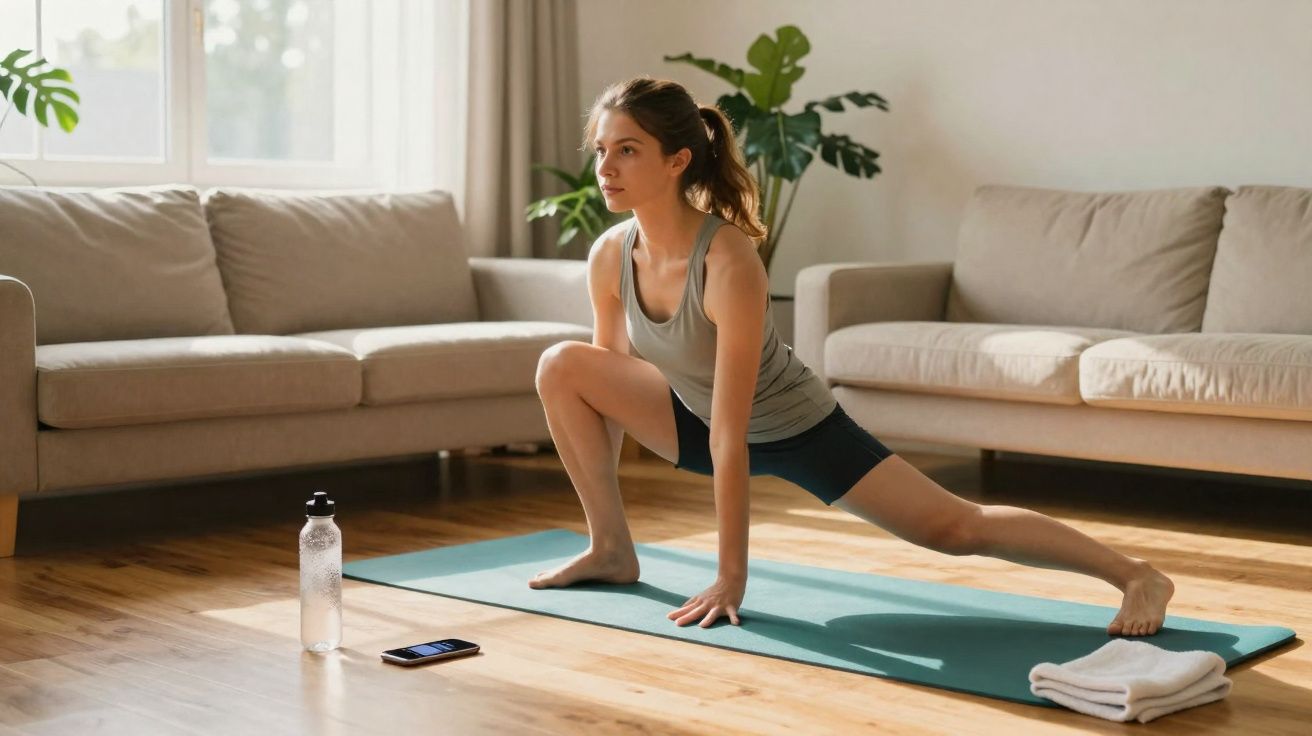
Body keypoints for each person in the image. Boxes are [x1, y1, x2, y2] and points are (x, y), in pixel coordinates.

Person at [529, 76, 1175, 637]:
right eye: (602, 152)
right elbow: (613, 374)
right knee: (562, 364)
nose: (605, 168)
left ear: (677, 161)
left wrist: (731, 578)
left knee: (954, 528)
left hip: (795, 428)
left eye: (628, 151)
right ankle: (611, 547)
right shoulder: (609, 255)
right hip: (689, 417)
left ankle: (1137, 575)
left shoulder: (727, 261)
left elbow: (733, 434)